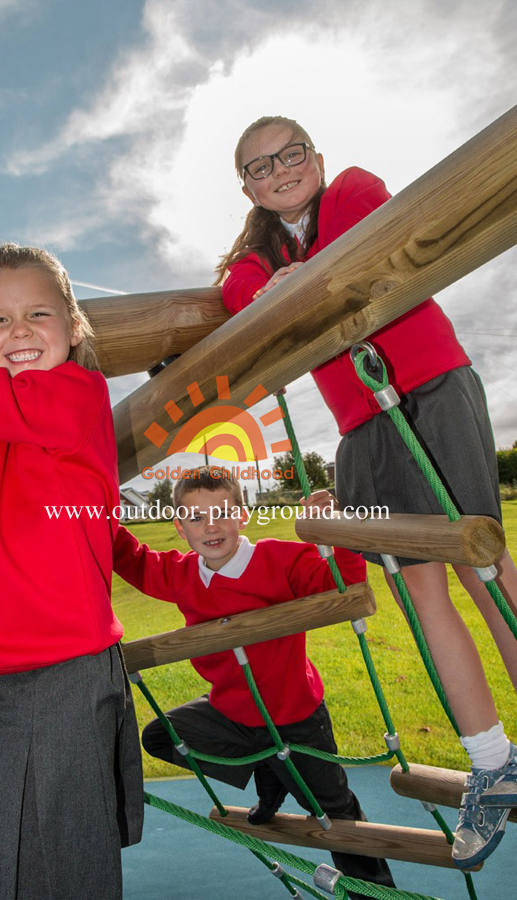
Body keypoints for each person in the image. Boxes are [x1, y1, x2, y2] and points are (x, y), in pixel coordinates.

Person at [216, 115, 517, 869]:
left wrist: (293, 285)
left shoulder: (350, 188)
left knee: (488, 572)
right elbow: (238, 294)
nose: (279, 170)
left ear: (314, 157)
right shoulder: (257, 257)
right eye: (260, 166)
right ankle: (494, 762)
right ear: (247, 186)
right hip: (365, 430)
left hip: (431, 391)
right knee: (423, 597)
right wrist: (268, 282)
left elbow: (352, 242)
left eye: (290, 155)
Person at [0, 244, 143, 900]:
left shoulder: (72, 395)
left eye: (37, 314)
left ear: (74, 328)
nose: (18, 331)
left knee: (59, 870)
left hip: (59, 674)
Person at [113, 466, 396, 893]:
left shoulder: (278, 560)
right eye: (197, 517)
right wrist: (92, 508)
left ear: (243, 514)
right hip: (232, 713)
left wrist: (336, 530)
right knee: (160, 737)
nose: (212, 527)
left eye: (223, 512)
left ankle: (373, 890)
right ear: (180, 527)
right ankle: (268, 765)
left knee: (333, 811)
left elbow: (346, 585)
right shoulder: (182, 574)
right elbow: (132, 560)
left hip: (295, 714)